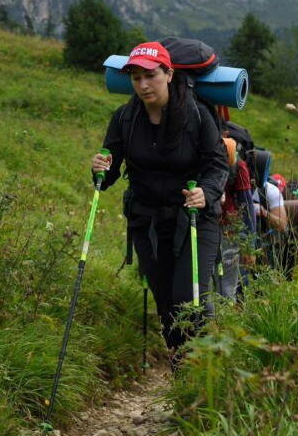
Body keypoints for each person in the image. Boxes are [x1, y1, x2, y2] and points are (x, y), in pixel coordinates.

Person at [90, 41, 229, 364]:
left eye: (150, 76)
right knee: (166, 305)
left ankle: (201, 371)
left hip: (196, 219)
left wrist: (205, 194)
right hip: (148, 221)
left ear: (168, 74)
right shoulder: (125, 117)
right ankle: (184, 374)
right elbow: (108, 173)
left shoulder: (197, 114)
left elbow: (217, 164)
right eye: (136, 78)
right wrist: (100, 168)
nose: (142, 85)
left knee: (187, 300)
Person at [219, 137, 255, 299]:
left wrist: (249, 247)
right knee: (226, 282)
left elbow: (247, 206)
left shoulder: (237, 165)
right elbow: (247, 207)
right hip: (223, 228)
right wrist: (249, 247)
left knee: (220, 280)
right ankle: (223, 319)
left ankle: (216, 319)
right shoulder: (238, 165)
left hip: (225, 229)